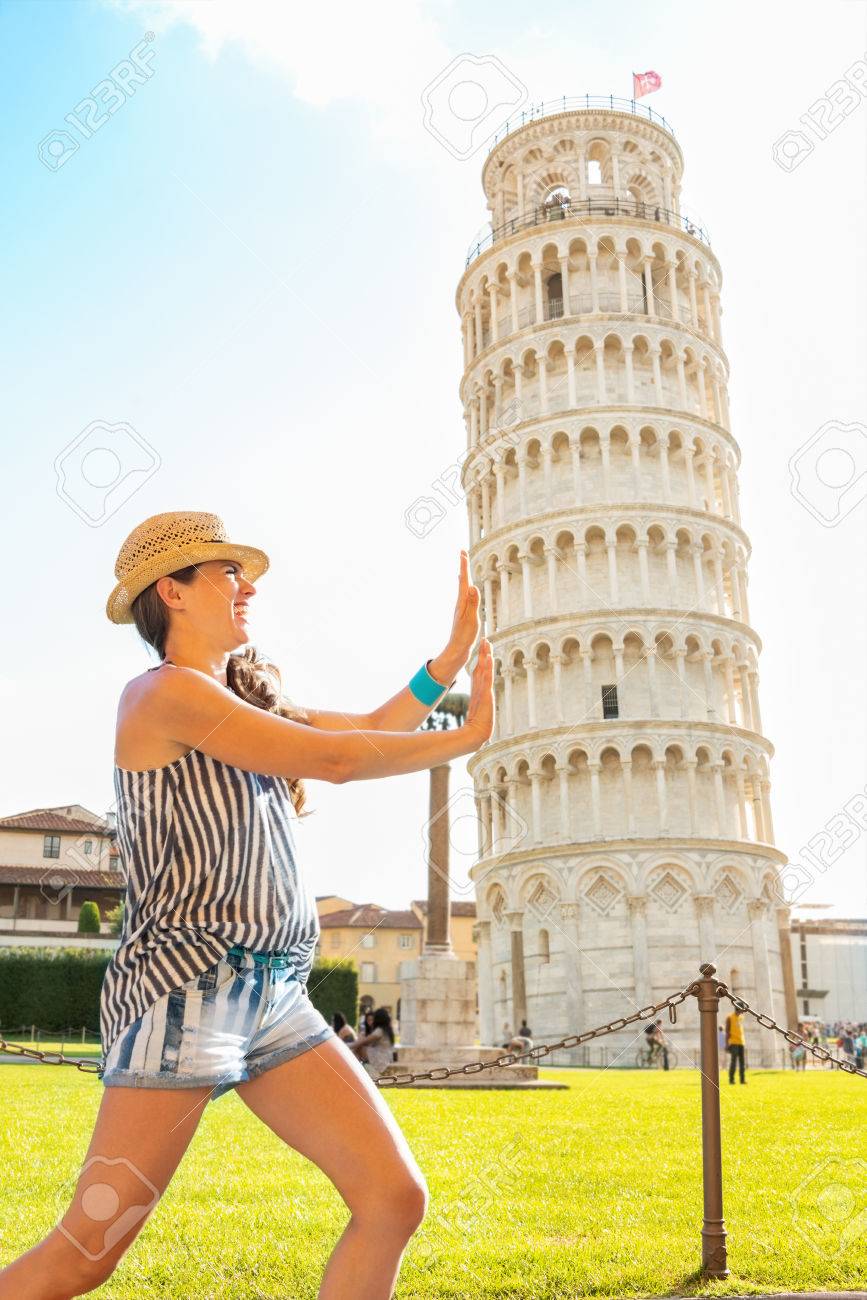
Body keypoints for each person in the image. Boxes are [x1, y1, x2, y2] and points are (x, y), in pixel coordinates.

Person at [0, 511, 493, 1300]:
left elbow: (371, 728)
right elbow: (337, 760)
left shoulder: (243, 707)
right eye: (228, 572)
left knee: (391, 1198)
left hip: (274, 995)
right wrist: (467, 737)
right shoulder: (160, 696)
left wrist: (447, 661)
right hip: (184, 993)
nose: (249, 587)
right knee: (86, 1254)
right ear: (172, 591)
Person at [350, 1008, 396, 1081]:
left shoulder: (380, 1030)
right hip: (385, 1058)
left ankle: (353, 1067)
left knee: (359, 1048)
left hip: (380, 1059)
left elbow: (364, 1041)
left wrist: (348, 1046)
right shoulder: (387, 1030)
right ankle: (355, 1066)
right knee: (359, 1047)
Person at [725, 1007, 747, 1084]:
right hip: (733, 1042)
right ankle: (731, 1080)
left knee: (742, 1062)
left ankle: (742, 1080)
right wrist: (727, 1044)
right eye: (742, 1010)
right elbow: (727, 1031)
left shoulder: (741, 1017)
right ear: (738, 1009)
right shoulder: (730, 1017)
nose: (743, 1012)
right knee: (733, 1062)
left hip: (741, 1042)